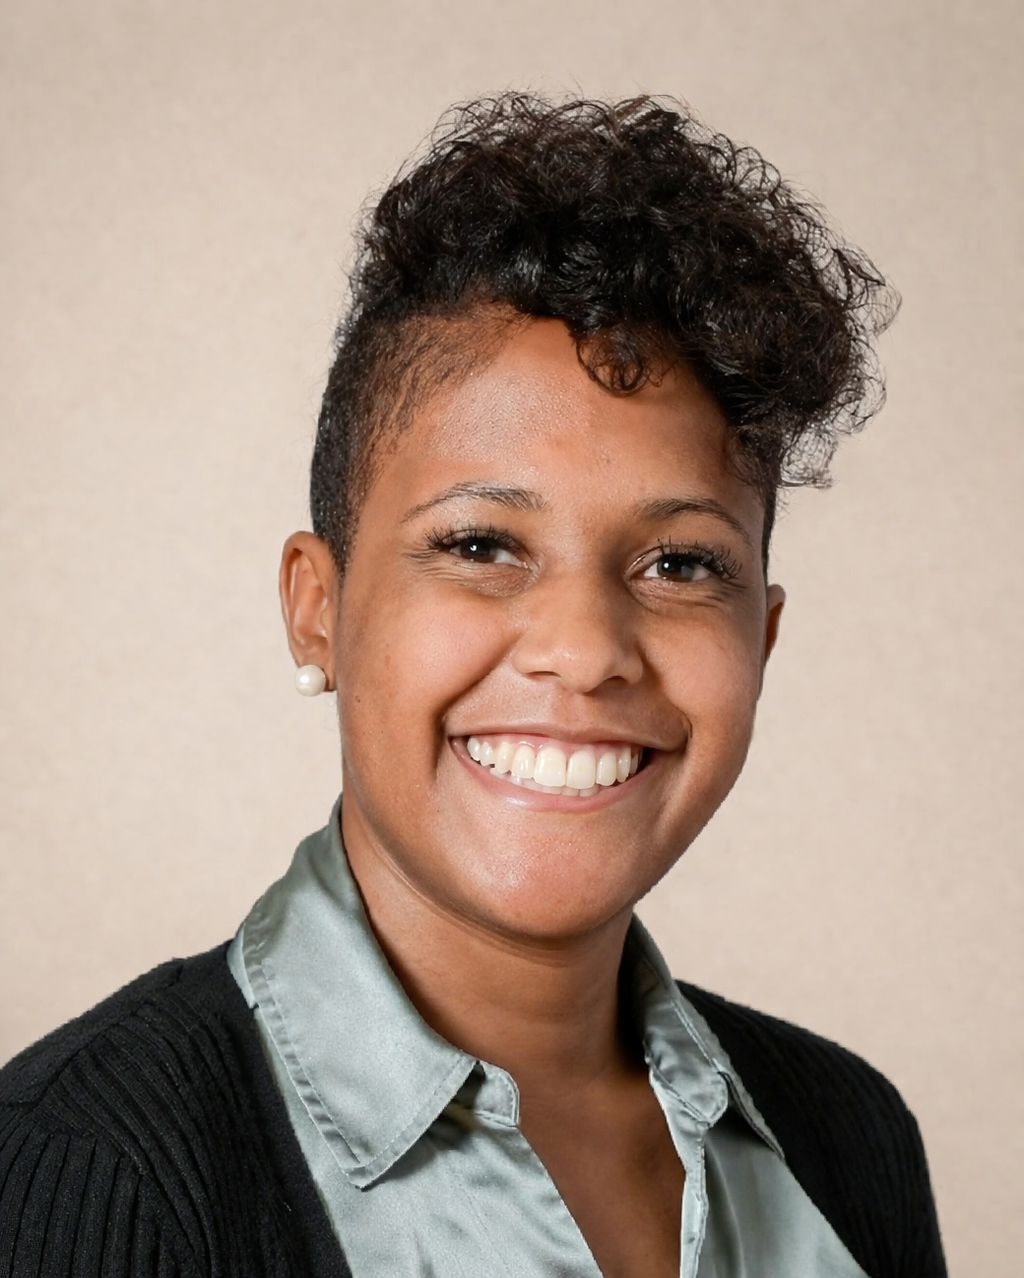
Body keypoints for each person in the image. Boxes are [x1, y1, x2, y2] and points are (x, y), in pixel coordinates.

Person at [0, 94, 946, 1277]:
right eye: (481, 545)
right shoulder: (82, 1170)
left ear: (762, 640)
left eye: (680, 563)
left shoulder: (847, 1139)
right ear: (317, 609)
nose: (585, 646)